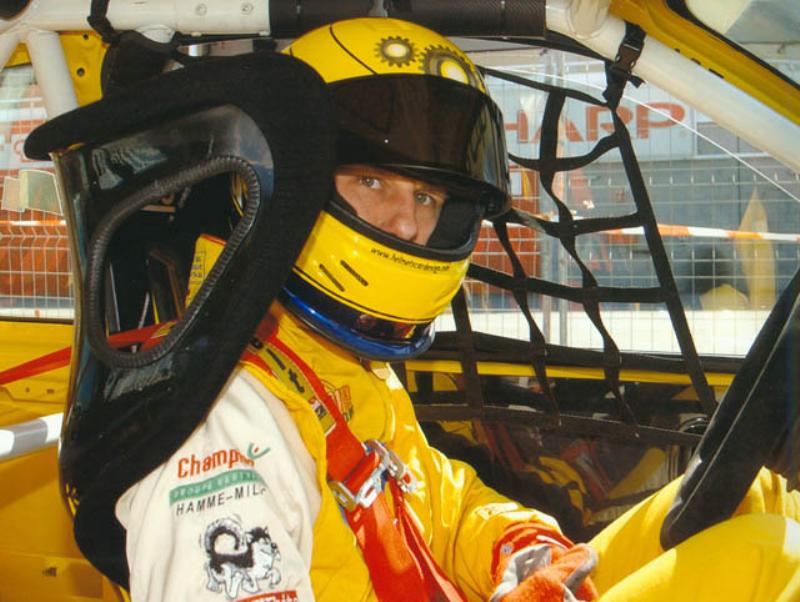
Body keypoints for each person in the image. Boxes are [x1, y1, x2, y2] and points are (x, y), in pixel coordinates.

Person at [114, 18, 800, 602]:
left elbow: (442, 507)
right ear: (278, 182)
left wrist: (519, 549)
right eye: (371, 181)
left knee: (755, 494)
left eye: (426, 197)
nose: (408, 224)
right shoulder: (220, 423)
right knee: (769, 558)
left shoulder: (339, 366)